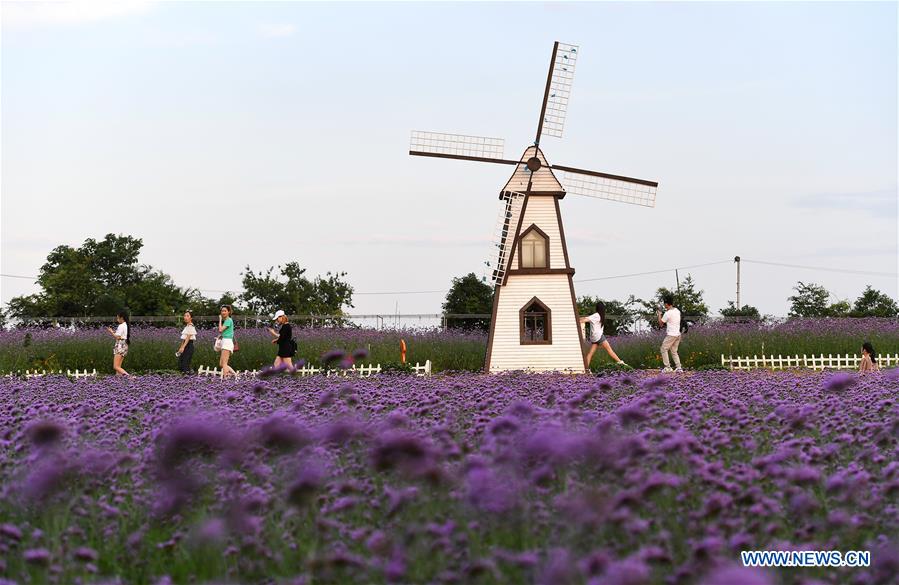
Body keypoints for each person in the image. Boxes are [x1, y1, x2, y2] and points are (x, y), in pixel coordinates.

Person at [579, 301, 628, 369]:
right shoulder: (599, 316)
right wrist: (578, 320)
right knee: (610, 350)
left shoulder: (596, 315)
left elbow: (585, 319)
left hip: (594, 338)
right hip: (598, 336)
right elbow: (585, 319)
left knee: (590, 354)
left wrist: (577, 319)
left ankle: (586, 369)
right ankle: (621, 363)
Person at [657, 294, 683, 372]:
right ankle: (679, 367)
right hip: (678, 334)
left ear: (666, 304)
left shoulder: (667, 313)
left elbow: (661, 324)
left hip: (671, 335)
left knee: (663, 349)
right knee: (674, 351)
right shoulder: (677, 311)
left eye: (664, 304)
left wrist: (659, 315)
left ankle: (667, 367)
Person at [106, 311, 131, 376]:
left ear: (121, 318)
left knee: (116, 366)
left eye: (117, 318)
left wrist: (111, 332)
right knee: (118, 367)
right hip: (124, 345)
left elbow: (118, 337)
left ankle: (130, 378)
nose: (117, 320)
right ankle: (119, 382)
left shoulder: (121, 326)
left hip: (120, 345)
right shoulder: (126, 325)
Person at [217, 305, 237, 378]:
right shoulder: (227, 320)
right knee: (221, 364)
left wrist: (219, 319)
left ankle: (226, 380)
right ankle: (235, 376)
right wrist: (220, 337)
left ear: (228, 312)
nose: (223, 312)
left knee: (224, 363)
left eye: (225, 311)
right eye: (222, 311)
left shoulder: (228, 320)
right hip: (225, 341)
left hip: (227, 342)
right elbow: (225, 332)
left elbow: (220, 330)